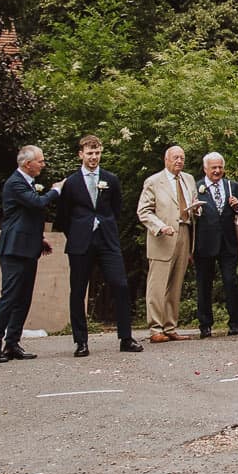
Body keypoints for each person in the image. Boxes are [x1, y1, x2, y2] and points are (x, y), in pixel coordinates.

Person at [59, 134, 140, 357]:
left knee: (121, 284)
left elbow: (117, 209)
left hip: (106, 239)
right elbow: (64, 215)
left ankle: (126, 337)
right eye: (89, 153)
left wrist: (105, 226)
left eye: (97, 153)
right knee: (78, 290)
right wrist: (77, 232)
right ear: (81, 154)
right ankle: (81, 341)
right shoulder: (71, 182)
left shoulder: (110, 179)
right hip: (80, 241)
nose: (94, 157)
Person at [0, 145, 63, 363]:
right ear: (26, 163)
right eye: (40, 161)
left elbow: (26, 215)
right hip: (14, 248)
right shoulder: (15, 183)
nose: (43, 164)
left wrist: (38, 238)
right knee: (9, 297)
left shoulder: (27, 183)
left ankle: (12, 343)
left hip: (28, 247)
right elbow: (36, 203)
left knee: (23, 299)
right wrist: (56, 190)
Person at [136, 145, 196, 342]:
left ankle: (170, 326)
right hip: (163, 236)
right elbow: (143, 211)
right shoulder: (153, 181)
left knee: (176, 283)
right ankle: (155, 328)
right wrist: (160, 227)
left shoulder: (188, 179)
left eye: (182, 158)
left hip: (185, 232)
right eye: (175, 158)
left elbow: (191, 203)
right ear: (166, 160)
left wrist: (197, 209)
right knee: (157, 284)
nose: (179, 161)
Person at [192, 151, 238, 338]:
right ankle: (205, 325)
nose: (217, 170)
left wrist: (237, 205)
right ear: (205, 168)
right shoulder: (196, 187)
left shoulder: (232, 186)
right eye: (213, 167)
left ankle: (235, 323)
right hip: (204, 243)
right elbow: (189, 216)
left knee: (231, 282)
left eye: (220, 167)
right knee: (204, 284)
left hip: (228, 242)